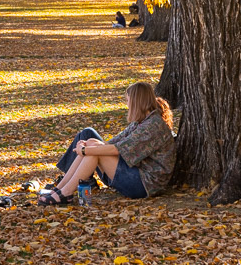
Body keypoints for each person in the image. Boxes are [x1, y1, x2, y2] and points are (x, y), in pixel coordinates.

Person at [40, 82, 175, 205]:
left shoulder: (153, 126)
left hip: (145, 184)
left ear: (136, 102)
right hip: (135, 174)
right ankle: (59, 190)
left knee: (93, 152)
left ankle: (66, 193)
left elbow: (118, 149)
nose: (127, 105)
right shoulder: (142, 121)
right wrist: (88, 145)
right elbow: (115, 142)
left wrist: (84, 151)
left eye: (128, 101)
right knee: (91, 142)